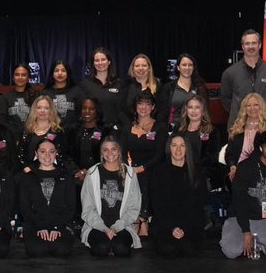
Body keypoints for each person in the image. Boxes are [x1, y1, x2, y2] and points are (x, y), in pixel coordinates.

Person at [220, 130, 266, 259]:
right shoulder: (245, 167)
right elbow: (238, 200)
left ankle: (257, 243)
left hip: (265, 220)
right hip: (240, 219)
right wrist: (246, 231)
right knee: (231, 252)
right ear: (260, 147)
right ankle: (249, 239)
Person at [81, 136, 142, 257]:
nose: (110, 153)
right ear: (101, 153)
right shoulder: (92, 173)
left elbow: (134, 207)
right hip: (96, 226)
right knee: (101, 249)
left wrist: (115, 228)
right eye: (105, 149)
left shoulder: (130, 174)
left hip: (122, 225)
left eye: (113, 149)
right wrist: (104, 228)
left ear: (119, 151)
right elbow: (87, 209)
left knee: (121, 249)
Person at [116, 90, 167, 235]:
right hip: (131, 169)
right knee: (128, 178)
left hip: (153, 167)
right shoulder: (127, 128)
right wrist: (128, 168)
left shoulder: (160, 127)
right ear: (135, 106)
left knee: (144, 179)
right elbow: (122, 152)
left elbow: (160, 154)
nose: (143, 107)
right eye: (140, 103)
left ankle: (143, 217)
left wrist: (142, 168)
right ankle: (135, 218)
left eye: (147, 104)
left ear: (153, 107)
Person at [150, 134, 208, 257]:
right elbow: (158, 204)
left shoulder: (197, 172)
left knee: (189, 250)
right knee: (168, 250)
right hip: (166, 224)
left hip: (190, 225)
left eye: (182, 146)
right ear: (168, 148)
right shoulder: (159, 171)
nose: (178, 150)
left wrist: (184, 229)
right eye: (174, 145)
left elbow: (198, 205)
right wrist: (172, 227)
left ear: (187, 148)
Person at [18, 140, 76, 257]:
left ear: (56, 154)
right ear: (36, 153)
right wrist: (40, 226)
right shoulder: (27, 177)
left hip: (61, 225)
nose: (47, 155)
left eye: (51, 151)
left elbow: (71, 207)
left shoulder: (66, 176)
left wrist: (56, 226)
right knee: (37, 250)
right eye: (43, 151)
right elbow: (24, 207)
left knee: (61, 250)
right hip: (35, 225)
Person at [220, 29, 266, 125]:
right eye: (247, 43)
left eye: (254, 43)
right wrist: (242, 113)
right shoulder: (230, 73)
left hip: (265, 126)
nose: (250, 46)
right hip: (238, 126)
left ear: (260, 45)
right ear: (242, 46)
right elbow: (225, 100)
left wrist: (263, 112)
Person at [174, 93, 225, 189]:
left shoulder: (212, 131)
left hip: (204, 176)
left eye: (197, 107)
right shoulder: (179, 130)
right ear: (186, 110)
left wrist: (193, 172)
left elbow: (211, 158)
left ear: (203, 110)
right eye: (190, 107)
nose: (193, 111)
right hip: (181, 174)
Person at [224, 93, 266, 180]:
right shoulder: (237, 128)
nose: (252, 108)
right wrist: (233, 167)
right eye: (248, 105)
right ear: (244, 108)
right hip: (238, 172)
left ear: (261, 107)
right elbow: (229, 154)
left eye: (256, 105)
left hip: (262, 173)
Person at [20, 95, 72, 173]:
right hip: (29, 174)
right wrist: (25, 168)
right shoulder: (27, 131)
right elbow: (21, 154)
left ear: (51, 111)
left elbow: (63, 156)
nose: (42, 111)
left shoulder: (58, 132)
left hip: (53, 173)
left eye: (46, 108)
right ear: (34, 110)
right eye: (39, 107)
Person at [78, 48, 124, 134]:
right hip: (92, 131)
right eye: (97, 60)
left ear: (109, 62)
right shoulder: (85, 85)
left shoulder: (119, 84)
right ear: (93, 63)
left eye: (103, 59)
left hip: (115, 131)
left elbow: (123, 110)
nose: (100, 63)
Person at [157, 53, 208, 127]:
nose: (187, 68)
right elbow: (162, 114)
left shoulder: (200, 87)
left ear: (193, 67)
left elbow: (206, 111)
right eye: (184, 65)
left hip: (196, 129)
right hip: (174, 130)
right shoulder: (167, 88)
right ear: (178, 67)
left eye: (190, 65)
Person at [121, 54, 160, 127]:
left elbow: (162, 111)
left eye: (144, 66)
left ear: (149, 68)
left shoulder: (158, 86)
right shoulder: (125, 86)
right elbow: (121, 110)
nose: (140, 68)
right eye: (137, 66)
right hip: (129, 128)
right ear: (132, 68)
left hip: (154, 128)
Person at [44, 61, 85, 127]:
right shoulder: (46, 93)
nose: (60, 73)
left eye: (63, 70)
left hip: (73, 132)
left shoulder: (77, 91)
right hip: (51, 131)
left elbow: (82, 113)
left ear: (68, 73)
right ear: (52, 74)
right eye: (56, 71)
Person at [0, 64, 38, 131]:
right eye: (17, 75)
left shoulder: (36, 96)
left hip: (32, 134)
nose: (20, 77)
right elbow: (3, 121)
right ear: (13, 77)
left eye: (23, 75)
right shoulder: (5, 97)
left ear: (28, 78)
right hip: (11, 136)